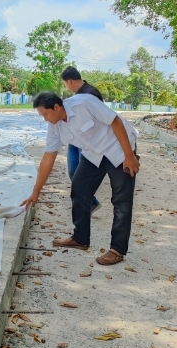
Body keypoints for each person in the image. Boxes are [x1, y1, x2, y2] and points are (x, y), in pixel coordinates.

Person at [21, 91, 139, 265]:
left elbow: (115, 121)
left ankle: (117, 250)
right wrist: (36, 191)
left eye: (45, 114)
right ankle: (81, 238)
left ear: (56, 106)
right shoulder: (55, 127)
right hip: (93, 154)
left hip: (119, 148)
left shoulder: (84, 103)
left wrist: (129, 155)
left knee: (122, 200)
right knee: (79, 190)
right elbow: (48, 158)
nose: (45, 119)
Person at [61, 66, 104, 215]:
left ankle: (86, 204)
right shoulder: (74, 97)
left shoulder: (92, 94)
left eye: (65, 84)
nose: (66, 87)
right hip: (74, 138)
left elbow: (100, 118)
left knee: (81, 173)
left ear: (70, 81)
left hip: (86, 140)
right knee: (73, 172)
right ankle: (91, 202)